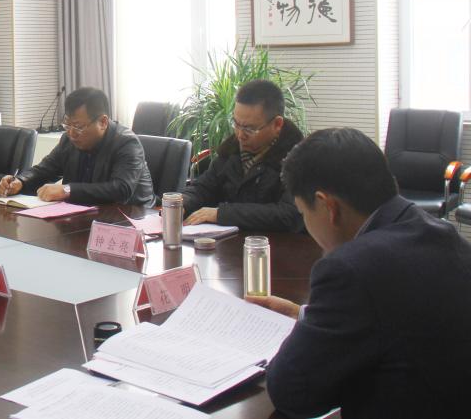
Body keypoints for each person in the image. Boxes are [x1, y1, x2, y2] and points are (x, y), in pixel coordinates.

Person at [248, 128, 471, 419]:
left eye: (303, 212)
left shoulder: (350, 268)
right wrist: (304, 315)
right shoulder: (441, 233)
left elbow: (293, 392)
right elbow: (398, 314)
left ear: (328, 206)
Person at [182, 79, 304, 232]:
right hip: (231, 241)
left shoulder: (299, 159)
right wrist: (182, 203)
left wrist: (222, 214)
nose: (240, 135)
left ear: (277, 124)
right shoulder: (231, 150)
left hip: (277, 244)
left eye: (250, 129)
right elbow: (204, 187)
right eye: (236, 124)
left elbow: (290, 214)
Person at [0, 87, 153, 206]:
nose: (71, 133)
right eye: (67, 125)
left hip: (132, 219)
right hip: (85, 215)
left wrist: (67, 190)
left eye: (78, 127)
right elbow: (46, 169)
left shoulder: (126, 143)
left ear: (103, 122)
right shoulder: (68, 140)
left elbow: (121, 189)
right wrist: (20, 181)